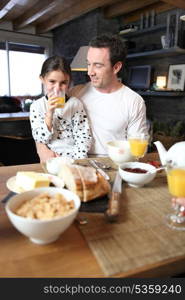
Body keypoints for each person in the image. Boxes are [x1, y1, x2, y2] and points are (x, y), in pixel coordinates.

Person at [70, 33, 148, 156]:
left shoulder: (134, 101)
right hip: (76, 162)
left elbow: (137, 151)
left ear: (116, 67)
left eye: (97, 65)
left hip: (113, 164)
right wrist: (42, 149)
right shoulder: (76, 93)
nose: (90, 72)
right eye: (88, 64)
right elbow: (45, 116)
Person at [30, 55, 92, 162]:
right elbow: (40, 139)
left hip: (73, 160)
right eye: (52, 81)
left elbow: (83, 137)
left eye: (63, 83)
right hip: (50, 161)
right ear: (42, 79)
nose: (57, 88)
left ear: (69, 82)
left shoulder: (75, 104)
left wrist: (76, 161)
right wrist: (49, 113)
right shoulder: (37, 106)